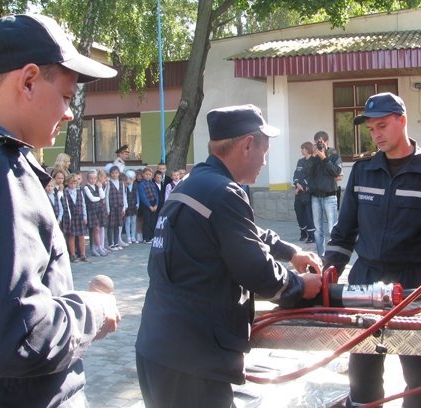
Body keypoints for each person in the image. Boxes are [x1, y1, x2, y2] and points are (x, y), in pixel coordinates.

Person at [0, 13, 120, 407]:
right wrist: (94, 309)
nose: (68, 113)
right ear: (29, 81)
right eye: (66, 97)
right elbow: (19, 336)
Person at [135, 104, 323, 407]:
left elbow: (241, 231)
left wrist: (290, 252)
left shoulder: (196, 183)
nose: (265, 161)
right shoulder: (223, 192)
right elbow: (259, 273)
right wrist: (300, 286)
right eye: (264, 151)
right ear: (247, 145)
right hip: (192, 362)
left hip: (161, 348)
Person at [324, 92, 421, 408]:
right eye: (371, 129)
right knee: (362, 374)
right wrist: (328, 274)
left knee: (418, 377)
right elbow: (344, 232)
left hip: (414, 285)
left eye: (382, 126)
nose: (376, 135)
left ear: (402, 121)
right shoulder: (363, 170)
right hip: (365, 282)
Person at [305, 130, 343, 256]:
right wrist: (313, 157)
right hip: (315, 197)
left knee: (333, 229)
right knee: (318, 230)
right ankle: (321, 256)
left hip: (329, 196)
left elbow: (336, 172)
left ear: (327, 142)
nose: (320, 145)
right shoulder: (314, 157)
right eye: (317, 143)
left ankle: (333, 256)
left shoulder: (334, 155)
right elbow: (307, 172)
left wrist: (324, 158)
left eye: (321, 142)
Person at [61, 173, 89, 262]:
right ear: (67, 182)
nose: (73, 185)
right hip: (70, 217)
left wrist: (85, 216)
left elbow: (83, 204)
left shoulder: (79, 192)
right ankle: (73, 254)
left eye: (75, 183)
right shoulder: (65, 192)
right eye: (71, 183)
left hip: (79, 216)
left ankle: (83, 254)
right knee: (71, 236)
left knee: (81, 236)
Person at [293, 141, 315, 243]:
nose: (301, 150)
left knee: (308, 215)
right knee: (299, 213)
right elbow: (296, 174)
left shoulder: (314, 161)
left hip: (308, 193)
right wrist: (296, 183)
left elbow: (311, 177)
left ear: (307, 149)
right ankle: (303, 232)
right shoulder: (300, 161)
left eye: (303, 148)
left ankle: (311, 236)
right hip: (299, 193)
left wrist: (301, 186)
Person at [138, 167, 158, 243]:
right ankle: (146, 238)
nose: (148, 176)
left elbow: (156, 195)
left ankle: (151, 236)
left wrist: (156, 205)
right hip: (146, 205)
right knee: (147, 221)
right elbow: (143, 196)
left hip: (154, 204)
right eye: (146, 174)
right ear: (143, 174)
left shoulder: (152, 184)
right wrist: (149, 206)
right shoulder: (141, 184)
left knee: (153, 221)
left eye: (150, 174)